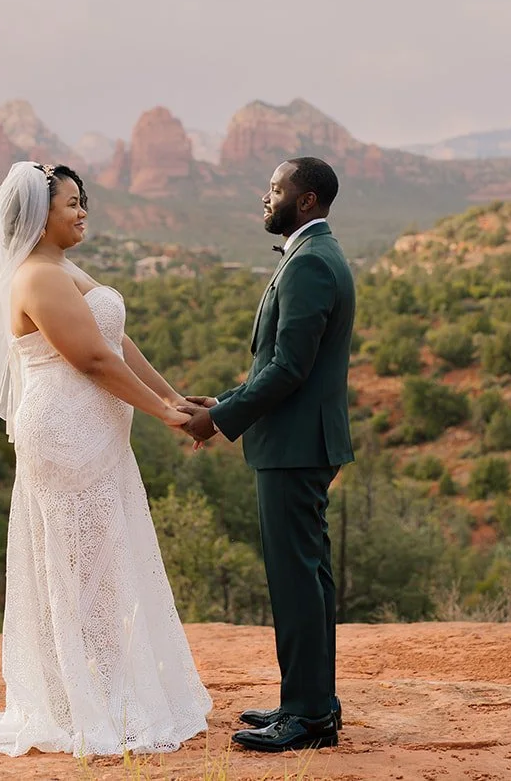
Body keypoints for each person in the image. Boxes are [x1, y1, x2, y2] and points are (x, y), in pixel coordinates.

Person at [0, 161, 211, 757]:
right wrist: (162, 415)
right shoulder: (37, 277)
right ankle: (91, 702)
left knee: (104, 564)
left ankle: (107, 691)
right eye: (72, 203)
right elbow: (91, 362)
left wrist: (172, 396)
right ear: (41, 216)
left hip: (97, 434)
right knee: (83, 571)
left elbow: (116, 342)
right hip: (65, 435)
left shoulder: (61, 266)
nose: (83, 210)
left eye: (82, 200)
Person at [178, 156, 355, 752]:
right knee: (310, 578)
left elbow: (288, 368)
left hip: (293, 449)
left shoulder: (309, 265)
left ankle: (304, 716)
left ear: (304, 201)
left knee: (295, 580)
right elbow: (278, 367)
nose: (265, 197)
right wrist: (224, 399)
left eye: (275, 189)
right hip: (298, 443)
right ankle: (313, 703)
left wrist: (219, 420)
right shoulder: (312, 256)